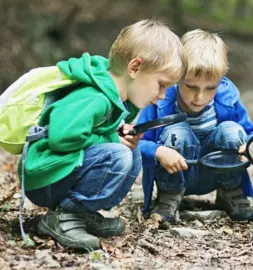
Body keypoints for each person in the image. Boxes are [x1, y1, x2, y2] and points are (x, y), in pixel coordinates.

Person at [18, 19, 187, 250]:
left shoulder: (111, 97)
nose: (162, 95)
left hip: (59, 172)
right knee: (118, 154)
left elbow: (92, 133)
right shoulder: (95, 97)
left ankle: (80, 213)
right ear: (135, 68)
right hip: (44, 177)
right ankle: (63, 216)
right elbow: (62, 137)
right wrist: (111, 139)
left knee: (131, 153)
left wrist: (116, 133)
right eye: (161, 85)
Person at [138, 29, 253, 223]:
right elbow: (138, 142)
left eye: (210, 88)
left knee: (231, 130)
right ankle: (169, 197)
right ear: (177, 77)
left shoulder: (227, 98)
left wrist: (248, 148)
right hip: (176, 172)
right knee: (177, 131)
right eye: (191, 86)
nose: (199, 97)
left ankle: (230, 192)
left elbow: (251, 134)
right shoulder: (161, 100)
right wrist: (158, 151)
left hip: (215, 173)